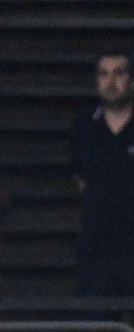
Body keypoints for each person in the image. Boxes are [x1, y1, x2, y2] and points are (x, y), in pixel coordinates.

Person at [72, 49, 134, 297]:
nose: (111, 81)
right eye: (104, 74)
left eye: (118, 73)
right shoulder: (84, 127)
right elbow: (80, 177)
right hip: (97, 246)